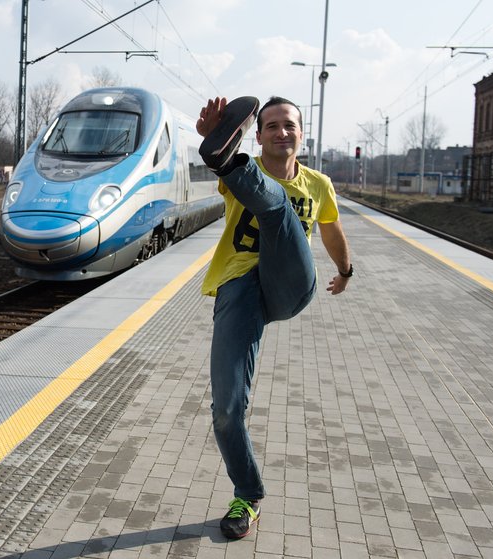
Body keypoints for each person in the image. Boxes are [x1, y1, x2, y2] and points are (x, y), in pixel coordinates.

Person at [196, 95, 353, 539]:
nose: (282, 132)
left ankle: (227, 157)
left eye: (290, 125)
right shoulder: (239, 176)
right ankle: (248, 495)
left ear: (301, 134)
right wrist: (212, 142)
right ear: (258, 136)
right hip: (240, 285)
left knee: (280, 207)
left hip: (289, 284)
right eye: (272, 126)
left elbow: (331, 231)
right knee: (226, 409)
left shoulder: (318, 184)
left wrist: (345, 271)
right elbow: (221, 177)